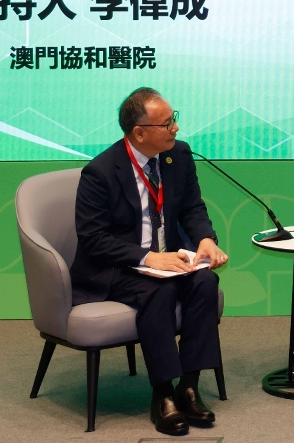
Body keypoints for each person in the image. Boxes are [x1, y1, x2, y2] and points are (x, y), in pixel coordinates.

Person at [70, 88, 228, 436]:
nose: (175, 128)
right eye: (167, 123)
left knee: (205, 282)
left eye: (174, 119)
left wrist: (205, 238)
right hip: (118, 267)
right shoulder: (100, 172)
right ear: (139, 133)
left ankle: (189, 386)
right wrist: (147, 257)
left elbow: (191, 208)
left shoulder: (178, 155)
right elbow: (93, 239)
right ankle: (163, 394)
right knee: (158, 291)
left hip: (168, 260)